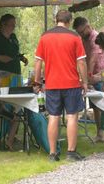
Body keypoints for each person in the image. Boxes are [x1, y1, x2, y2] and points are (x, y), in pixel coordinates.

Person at [34, 10, 89, 162]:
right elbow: (81, 62)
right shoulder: (74, 37)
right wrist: (85, 82)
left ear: (55, 20)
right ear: (69, 21)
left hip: (52, 84)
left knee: (53, 117)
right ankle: (71, 152)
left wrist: (37, 82)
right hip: (71, 83)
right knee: (72, 116)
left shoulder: (44, 37)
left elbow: (38, 62)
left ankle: (52, 154)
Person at [0, 14, 28, 143]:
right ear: (3, 24)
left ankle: (12, 135)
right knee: (3, 104)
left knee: (16, 103)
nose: (13, 27)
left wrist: (21, 57)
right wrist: (1, 58)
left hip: (16, 74)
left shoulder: (13, 37)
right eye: (11, 24)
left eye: (14, 24)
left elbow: (14, 53)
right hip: (1, 75)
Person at [72, 16, 104, 142]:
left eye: (82, 31)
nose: (80, 34)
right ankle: (100, 134)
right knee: (95, 107)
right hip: (90, 76)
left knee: (103, 106)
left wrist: (87, 76)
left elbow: (92, 59)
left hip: (100, 75)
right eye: (78, 32)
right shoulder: (83, 39)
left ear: (88, 26)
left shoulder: (95, 38)